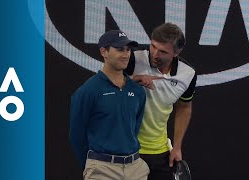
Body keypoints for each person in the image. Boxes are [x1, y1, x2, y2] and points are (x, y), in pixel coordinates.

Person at [69, 30, 149, 180]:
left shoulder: (137, 91)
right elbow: (76, 135)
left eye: (128, 50)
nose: (126, 55)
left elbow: (134, 130)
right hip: (102, 169)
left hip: (136, 169)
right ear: (103, 52)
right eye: (119, 49)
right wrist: (91, 165)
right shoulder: (88, 91)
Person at [125, 22, 197, 179]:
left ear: (177, 52)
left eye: (163, 51)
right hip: (126, 149)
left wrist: (177, 147)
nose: (155, 54)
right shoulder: (132, 59)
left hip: (160, 153)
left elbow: (184, 107)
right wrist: (134, 79)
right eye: (152, 46)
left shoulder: (188, 74)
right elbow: (106, 84)